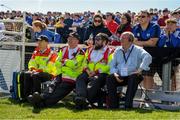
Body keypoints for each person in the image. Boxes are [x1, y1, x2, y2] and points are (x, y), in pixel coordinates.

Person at [27, 32, 85, 108]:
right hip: (60, 75)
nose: (69, 40)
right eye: (69, 38)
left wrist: (64, 61)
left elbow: (75, 64)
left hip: (71, 78)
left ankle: (41, 104)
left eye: (72, 39)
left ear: (77, 41)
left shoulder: (80, 52)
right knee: (51, 86)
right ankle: (41, 98)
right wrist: (66, 63)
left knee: (58, 92)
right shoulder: (63, 49)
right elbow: (57, 62)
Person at [106, 32, 152, 109]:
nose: (121, 39)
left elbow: (148, 57)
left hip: (133, 75)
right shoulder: (117, 50)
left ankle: (127, 105)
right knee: (110, 78)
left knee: (133, 77)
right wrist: (115, 74)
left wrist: (140, 69)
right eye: (121, 37)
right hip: (120, 76)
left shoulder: (138, 49)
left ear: (130, 40)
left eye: (123, 38)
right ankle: (113, 106)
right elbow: (112, 64)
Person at [74, 33, 113, 109]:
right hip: (89, 71)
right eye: (95, 39)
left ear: (104, 42)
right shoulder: (90, 49)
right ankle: (81, 98)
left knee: (95, 80)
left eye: (98, 39)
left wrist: (96, 72)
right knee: (80, 77)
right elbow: (85, 62)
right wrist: (87, 70)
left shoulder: (110, 51)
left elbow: (109, 66)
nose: (96, 41)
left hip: (102, 74)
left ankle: (83, 101)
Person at [133, 10, 161, 89]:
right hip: (142, 55)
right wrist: (146, 42)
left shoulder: (155, 26)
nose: (140, 18)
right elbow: (133, 42)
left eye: (143, 16)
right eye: (139, 16)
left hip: (156, 55)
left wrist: (139, 42)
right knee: (144, 76)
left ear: (149, 18)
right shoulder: (136, 27)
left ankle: (171, 99)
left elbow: (152, 43)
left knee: (167, 78)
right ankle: (149, 94)